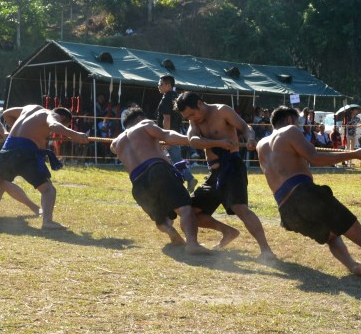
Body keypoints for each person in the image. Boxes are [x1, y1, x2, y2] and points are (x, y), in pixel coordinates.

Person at [256, 106, 361, 287]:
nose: (300, 126)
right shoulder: (290, 131)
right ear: (289, 120)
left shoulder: (261, 145)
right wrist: (354, 154)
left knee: (331, 235)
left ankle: (353, 266)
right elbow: (315, 158)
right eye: (298, 122)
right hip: (304, 194)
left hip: (286, 211)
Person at [111, 106, 232, 255]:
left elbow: (122, 149)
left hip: (138, 184)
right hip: (156, 170)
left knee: (160, 217)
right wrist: (193, 140)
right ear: (139, 118)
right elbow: (167, 135)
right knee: (185, 209)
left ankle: (170, 231)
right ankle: (192, 244)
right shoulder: (144, 124)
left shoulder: (115, 143)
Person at [176, 91, 276, 261]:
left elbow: (245, 128)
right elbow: (193, 141)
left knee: (240, 208)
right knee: (190, 212)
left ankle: (266, 250)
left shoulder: (222, 111)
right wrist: (219, 143)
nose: (192, 118)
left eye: (192, 114)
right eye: (187, 117)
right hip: (214, 174)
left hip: (232, 167)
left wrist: (250, 139)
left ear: (200, 103)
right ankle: (228, 232)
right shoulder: (194, 121)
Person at [0, 105, 90, 230]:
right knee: (48, 190)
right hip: (25, 153)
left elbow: (6, 113)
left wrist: (26, 132)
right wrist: (75, 135)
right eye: (65, 125)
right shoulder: (51, 114)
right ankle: (47, 221)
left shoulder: (30, 108)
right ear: (63, 117)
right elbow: (54, 126)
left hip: (6, 150)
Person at [156, 75, 197, 192]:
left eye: (160, 84)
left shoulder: (166, 99)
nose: (158, 86)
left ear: (168, 85)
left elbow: (167, 118)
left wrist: (165, 138)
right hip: (176, 132)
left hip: (167, 134)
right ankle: (184, 179)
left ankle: (188, 179)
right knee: (174, 158)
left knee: (173, 158)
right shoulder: (177, 97)